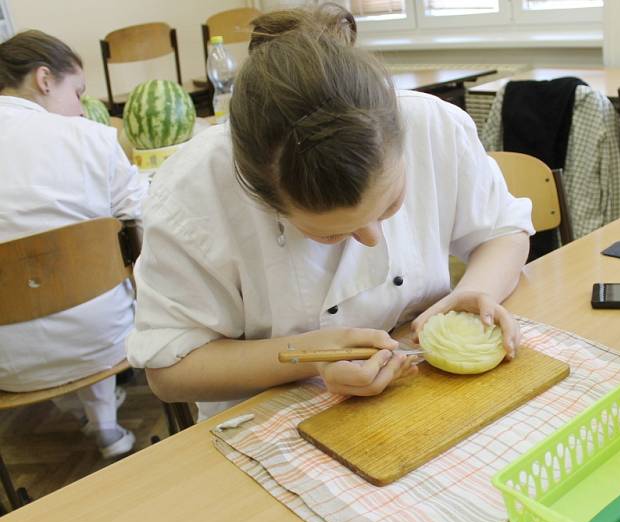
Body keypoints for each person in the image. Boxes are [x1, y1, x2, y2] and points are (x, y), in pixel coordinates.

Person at [127, 7, 533, 420]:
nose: (374, 237)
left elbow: (504, 231)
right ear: (262, 199)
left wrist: (477, 290)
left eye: (391, 204)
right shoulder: (194, 192)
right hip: (271, 417)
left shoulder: (431, 125)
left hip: (423, 393)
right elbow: (170, 369)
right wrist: (309, 357)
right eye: (330, 235)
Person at [0, 30, 148, 458]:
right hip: (104, 340)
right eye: (78, 92)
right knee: (92, 278)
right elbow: (144, 219)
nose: (81, 107)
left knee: (44, 284)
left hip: (5, 365)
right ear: (45, 79)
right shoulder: (89, 137)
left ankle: (90, 415)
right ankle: (104, 423)